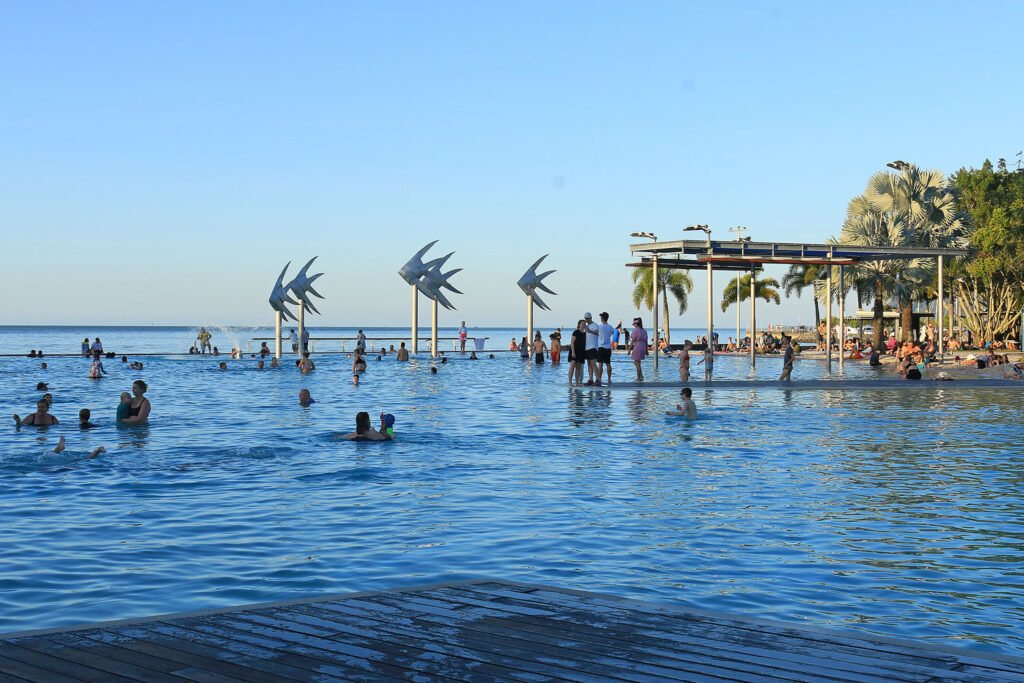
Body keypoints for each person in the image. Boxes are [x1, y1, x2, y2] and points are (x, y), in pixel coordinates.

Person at [595, 312, 614, 385]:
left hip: (600, 347)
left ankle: (599, 379)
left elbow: (596, 333)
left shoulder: (599, 327)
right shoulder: (610, 327)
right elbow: (612, 333)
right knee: (608, 364)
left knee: (600, 364)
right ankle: (609, 379)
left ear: (602, 318)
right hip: (608, 347)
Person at [628, 317, 648, 382]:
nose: (633, 325)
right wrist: (646, 350)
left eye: (634, 324)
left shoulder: (636, 330)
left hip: (638, 346)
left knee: (636, 362)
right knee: (638, 362)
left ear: (636, 323)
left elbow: (632, 340)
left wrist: (629, 349)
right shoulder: (644, 330)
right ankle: (641, 376)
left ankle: (638, 378)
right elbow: (646, 341)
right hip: (643, 346)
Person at [568, 319, 586, 386]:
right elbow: (572, 342)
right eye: (582, 324)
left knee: (578, 368)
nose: (583, 325)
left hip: (581, 352)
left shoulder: (584, 334)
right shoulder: (575, 332)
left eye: (584, 324)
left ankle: (577, 382)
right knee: (572, 366)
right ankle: (570, 382)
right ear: (579, 325)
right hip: (574, 351)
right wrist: (573, 352)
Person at [583, 312, 599, 385]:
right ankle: (590, 379)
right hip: (587, 348)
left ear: (591, 318)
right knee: (589, 364)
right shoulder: (585, 326)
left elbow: (597, 332)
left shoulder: (595, 325)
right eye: (586, 319)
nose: (587, 320)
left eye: (588, 318)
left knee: (593, 363)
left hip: (593, 347)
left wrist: (590, 331)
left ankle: (598, 380)